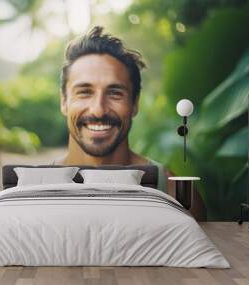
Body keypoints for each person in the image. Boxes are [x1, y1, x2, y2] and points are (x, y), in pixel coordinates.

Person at [53, 26, 172, 193]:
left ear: (135, 104)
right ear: (64, 101)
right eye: (84, 92)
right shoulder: (31, 187)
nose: (98, 110)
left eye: (115, 93)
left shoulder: (172, 189)